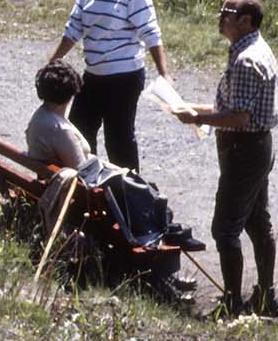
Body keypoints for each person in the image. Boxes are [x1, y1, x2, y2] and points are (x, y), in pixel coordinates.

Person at [178, 0, 278, 319]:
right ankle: (265, 298)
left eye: (227, 12)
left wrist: (197, 118)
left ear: (245, 20)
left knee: (225, 229)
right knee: (255, 222)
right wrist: (190, 108)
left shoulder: (246, 60)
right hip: (254, 148)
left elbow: (239, 118)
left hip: (245, 151)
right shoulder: (250, 50)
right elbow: (233, 109)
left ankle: (233, 303)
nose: (220, 17)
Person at [26, 60, 201, 252]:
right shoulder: (60, 129)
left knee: (134, 180)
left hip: (53, 180)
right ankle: (166, 233)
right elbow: (84, 173)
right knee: (142, 188)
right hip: (81, 191)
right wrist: (121, 172)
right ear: (71, 94)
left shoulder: (40, 117)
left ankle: (169, 229)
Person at [46, 0, 169, 172]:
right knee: (79, 130)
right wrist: (54, 60)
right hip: (93, 75)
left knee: (119, 139)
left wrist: (164, 73)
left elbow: (151, 33)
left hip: (125, 78)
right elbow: (74, 28)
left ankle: (128, 193)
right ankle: (88, 184)